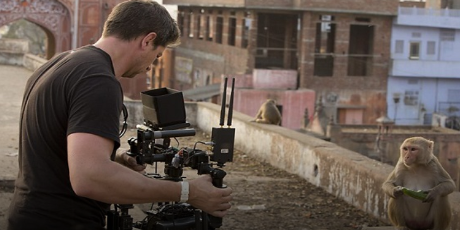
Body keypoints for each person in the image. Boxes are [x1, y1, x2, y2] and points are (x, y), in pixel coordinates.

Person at [7, 1, 232, 229]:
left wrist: (114, 158)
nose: (151, 66)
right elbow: (89, 177)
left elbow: (55, 148)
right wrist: (188, 192)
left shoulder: (60, 63)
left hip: (27, 215)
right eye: (157, 56)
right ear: (147, 40)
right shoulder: (98, 80)